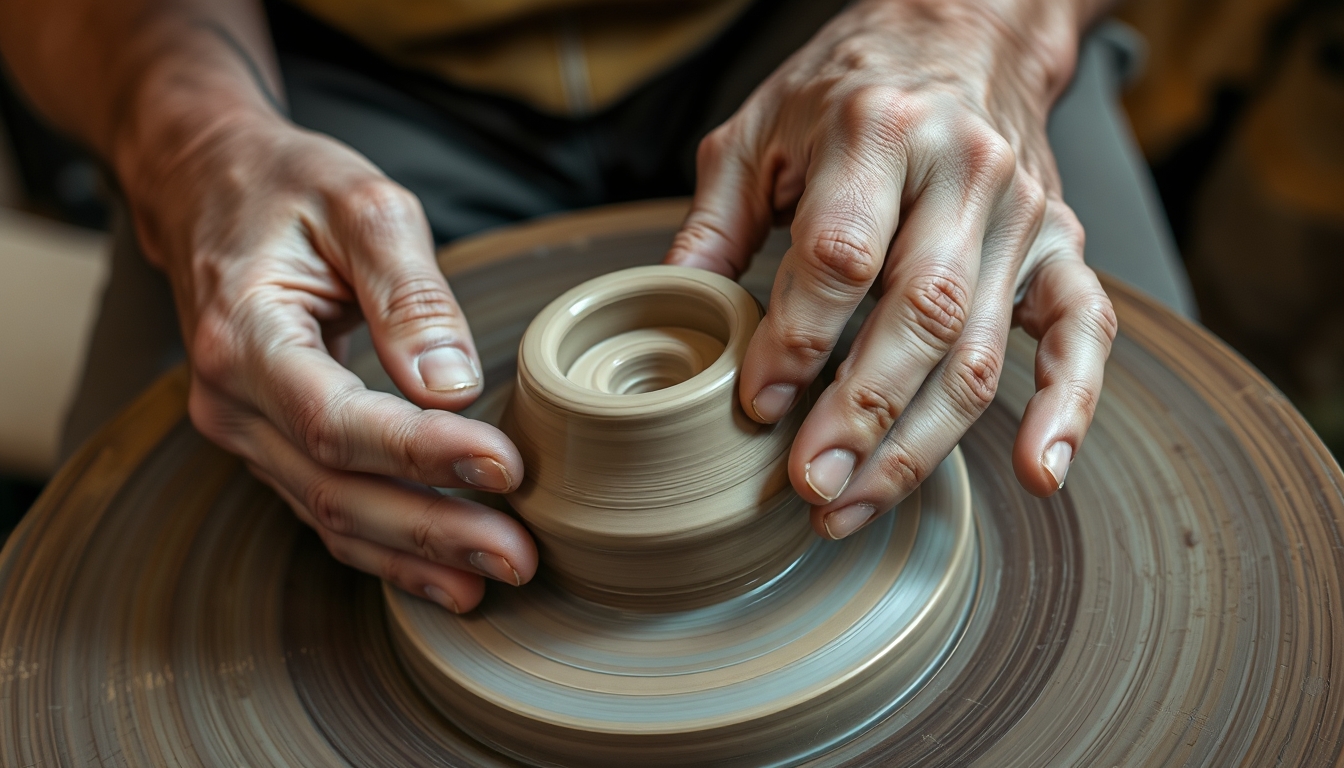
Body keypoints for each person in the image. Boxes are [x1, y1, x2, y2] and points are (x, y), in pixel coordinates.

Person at [0, 0, 1175, 614]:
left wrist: (985, 32)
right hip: (308, 68)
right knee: (140, 590)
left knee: (1143, 501)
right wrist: (190, 134)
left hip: (852, 32)